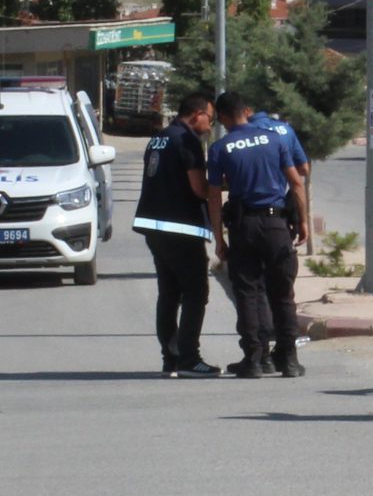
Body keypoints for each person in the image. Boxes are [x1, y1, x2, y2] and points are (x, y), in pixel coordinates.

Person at [205, 91, 311, 379]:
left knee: (248, 292)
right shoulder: (275, 139)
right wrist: (303, 222)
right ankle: (288, 359)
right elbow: (297, 182)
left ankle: (254, 359)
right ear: (246, 111)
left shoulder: (220, 149)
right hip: (277, 226)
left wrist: (219, 238)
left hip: (244, 228)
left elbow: (214, 197)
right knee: (283, 294)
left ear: (225, 117)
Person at [133, 86, 218, 378]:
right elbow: (199, 188)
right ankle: (189, 358)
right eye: (210, 118)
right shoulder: (187, 141)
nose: (211, 125)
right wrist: (221, 188)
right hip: (181, 228)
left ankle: (170, 357)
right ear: (197, 115)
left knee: (168, 294)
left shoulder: (159, 138)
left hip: (154, 227)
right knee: (196, 292)